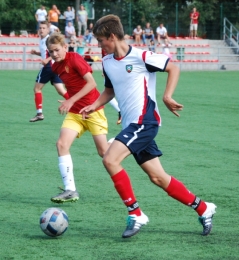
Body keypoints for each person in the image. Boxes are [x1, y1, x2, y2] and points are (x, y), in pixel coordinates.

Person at [80, 14, 217, 239]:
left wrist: (167, 95)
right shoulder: (106, 62)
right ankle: (203, 208)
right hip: (132, 125)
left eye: (100, 40)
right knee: (158, 178)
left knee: (109, 159)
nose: (99, 45)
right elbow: (109, 90)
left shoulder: (141, 56)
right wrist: (94, 106)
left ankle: (136, 213)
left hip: (145, 122)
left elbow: (173, 68)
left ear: (112, 36)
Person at [46, 32, 111, 203]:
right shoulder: (55, 66)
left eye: (57, 50)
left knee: (104, 152)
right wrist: (69, 98)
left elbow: (92, 83)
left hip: (92, 109)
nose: (54, 54)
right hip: (75, 112)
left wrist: (71, 99)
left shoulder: (74, 59)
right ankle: (70, 190)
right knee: (61, 144)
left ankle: (121, 143)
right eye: (51, 51)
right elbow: (71, 84)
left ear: (65, 47)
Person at [29, 21, 68, 122]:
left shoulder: (48, 40)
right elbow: (45, 53)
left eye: (43, 28)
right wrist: (36, 53)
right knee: (61, 90)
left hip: (48, 67)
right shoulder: (42, 40)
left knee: (37, 89)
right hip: (55, 67)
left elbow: (54, 52)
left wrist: (47, 60)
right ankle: (77, 104)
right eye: (40, 28)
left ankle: (39, 113)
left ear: (48, 30)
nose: (41, 30)